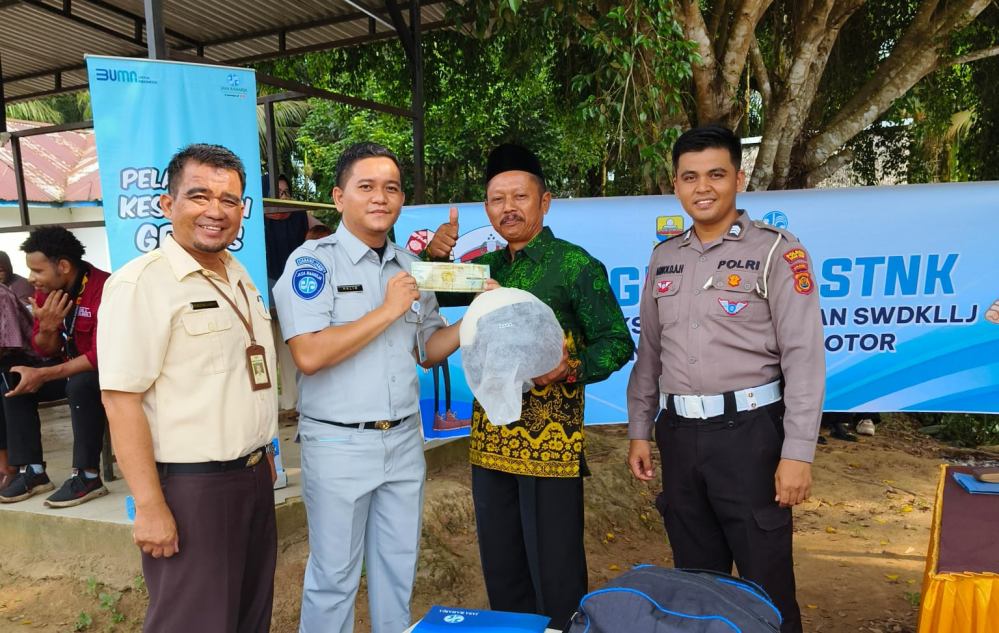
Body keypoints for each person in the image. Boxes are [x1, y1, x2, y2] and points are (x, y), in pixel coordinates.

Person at [424, 143, 634, 627]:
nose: (508, 208)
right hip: (491, 442)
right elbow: (423, 284)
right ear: (486, 208)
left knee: (556, 574)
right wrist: (432, 254)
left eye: (520, 196)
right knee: (503, 569)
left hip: (550, 446)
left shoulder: (575, 266)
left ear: (545, 202)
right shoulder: (486, 270)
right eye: (497, 199)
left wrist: (570, 367)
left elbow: (617, 342)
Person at [626, 125, 824, 633]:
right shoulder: (664, 257)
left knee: (766, 587)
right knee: (696, 587)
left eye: (716, 174)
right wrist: (639, 430)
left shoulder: (777, 252)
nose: (703, 187)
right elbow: (650, 354)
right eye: (690, 177)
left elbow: (803, 358)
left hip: (750, 438)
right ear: (676, 184)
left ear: (739, 178)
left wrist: (797, 454)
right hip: (679, 436)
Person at [274, 142, 462, 633]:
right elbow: (309, 354)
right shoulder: (313, 263)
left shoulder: (410, 267)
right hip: (339, 443)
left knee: (398, 570)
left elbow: (428, 349)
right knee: (334, 577)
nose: (381, 197)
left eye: (391, 188)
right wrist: (386, 310)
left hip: (403, 439)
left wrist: (477, 319)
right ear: (339, 197)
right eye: (367, 186)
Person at [98, 144, 279, 632]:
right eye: (199, 196)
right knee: (193, 622)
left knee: (249, 618)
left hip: (253, 477)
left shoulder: (237, 274)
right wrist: (150, 505)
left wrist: (263, 454)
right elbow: (120, 400)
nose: (215, 211)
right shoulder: (142, 284)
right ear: (167, 203)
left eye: (229, 199)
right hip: (191, 489)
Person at [0, 226, 110, 507]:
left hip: (105, 373)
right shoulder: (45, 293)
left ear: (63, 266)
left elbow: (102, 354)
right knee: (14, 379)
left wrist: (45, 373)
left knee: (81, 383)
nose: (31, 278)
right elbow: (44, 350)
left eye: (37, 270)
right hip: (65, 369)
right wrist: (48, 328)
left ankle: (87, 476)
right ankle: (33, 471)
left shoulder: (105, 288)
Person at [0, 283, 36, 490]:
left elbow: (8, 345)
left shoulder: (1, 295)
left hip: (29, 360)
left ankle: (8, 467)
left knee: (6, 379)